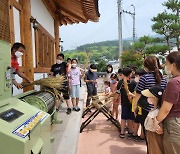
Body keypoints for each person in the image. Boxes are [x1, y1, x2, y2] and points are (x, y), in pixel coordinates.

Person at [133, 56, 167, 153]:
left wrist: (135, 107)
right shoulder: (163, 78)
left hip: (146, 110)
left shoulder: (144, 78)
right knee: (158, 135)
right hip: (159, 111)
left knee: (148, 133)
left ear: (146, 66)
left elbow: (138, 94)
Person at [154, 51, 180, 154]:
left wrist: (156, 121)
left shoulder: (174, 82)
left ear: (173, 65)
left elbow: (166, 108)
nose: (166, 66)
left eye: (167, 64)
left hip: (174, 124)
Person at [141, 85, 165, 154]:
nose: (148, 98)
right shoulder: (154, 109)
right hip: (150, 133)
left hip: (154, 135)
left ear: (155, 97)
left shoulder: (157, 112)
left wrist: (157, 126)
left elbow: (160, 128)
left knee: (156, 150)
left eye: (149, 96)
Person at [115, 67, 136, 138]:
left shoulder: (120, 82)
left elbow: (117, 93)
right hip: (132, 103)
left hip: (124, 103)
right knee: (131, 118)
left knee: (123, 118)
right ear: (130, 74)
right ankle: (130, 132)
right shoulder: (133, 82)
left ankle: (122, 132)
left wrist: (116, 99)